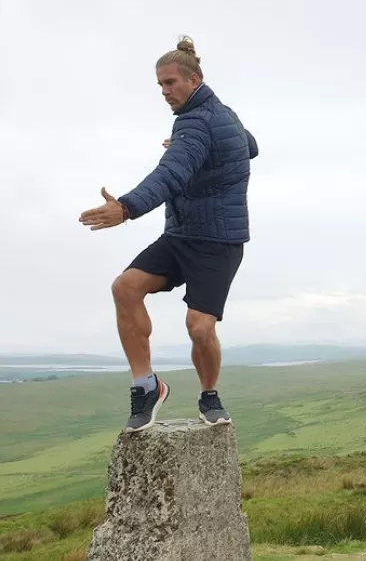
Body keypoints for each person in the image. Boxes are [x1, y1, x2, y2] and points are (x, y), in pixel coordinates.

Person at [79, 36, 258, 433]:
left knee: (199, 326)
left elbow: (170, 174)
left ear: (194, 80)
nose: (164, 92)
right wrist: (202, 149)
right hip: (180, 235)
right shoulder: (215, 117)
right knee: (125, 287)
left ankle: (209, 394)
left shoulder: (199, 123)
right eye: (160, 85)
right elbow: (250, 144)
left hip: (218, 241)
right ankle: (147, 386)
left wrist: (126, 207)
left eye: (171, 83)